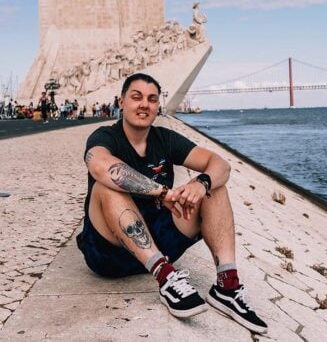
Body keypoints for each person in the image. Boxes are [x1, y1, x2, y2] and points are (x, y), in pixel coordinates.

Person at [76, 73, 268, 334]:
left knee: (213, 187)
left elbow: (221, 165)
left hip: (163, 242)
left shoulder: (164, 139)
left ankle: (227, 287)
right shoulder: (106, 136)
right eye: (136, 97)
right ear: (121, 102)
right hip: (110, 253)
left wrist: (200, 184)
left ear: (157, 106)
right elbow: (100, 165)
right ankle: (166, 278)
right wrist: (162, 192)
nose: (144, 104)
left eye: (151, 99)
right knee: (107, 186)